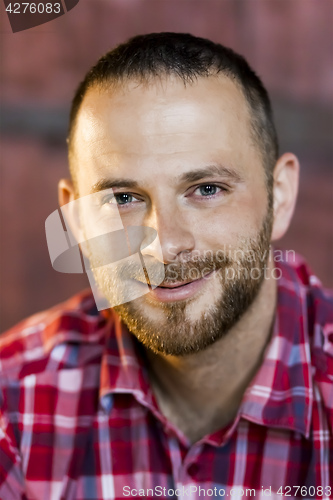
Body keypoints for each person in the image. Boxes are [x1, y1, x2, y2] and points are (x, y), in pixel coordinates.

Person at [0, 33, 332, 500]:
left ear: (281, 196)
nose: (167, 245)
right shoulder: (13, 402)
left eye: (207, 189)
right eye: (123, 199)